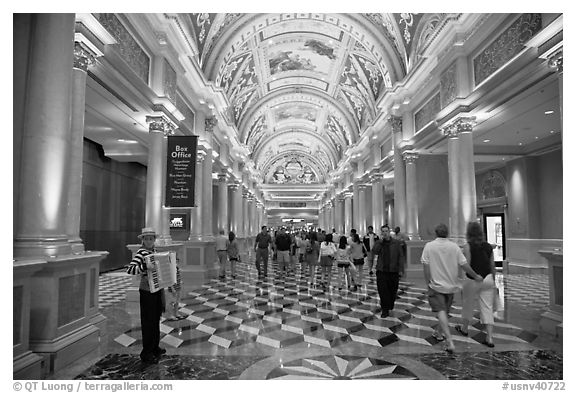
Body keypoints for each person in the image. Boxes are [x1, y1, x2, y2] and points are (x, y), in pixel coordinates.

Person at [421, 223, 483, 354]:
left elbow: (426, 266)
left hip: (436, 285)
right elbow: (464, 265)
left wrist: (428, 283)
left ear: (436, 233)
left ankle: (449, 340)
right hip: (451, 285)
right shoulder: (454, 247)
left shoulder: (429, 246)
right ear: (447, 233)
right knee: (444, 311)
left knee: (441, 311)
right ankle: (438, 332)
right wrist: (475, 275)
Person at [126, 227, 166, 364]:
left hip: (156, 290)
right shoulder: (141, 253)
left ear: (154, 240)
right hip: (146, 291)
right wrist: (144, 268)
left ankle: (155, 347)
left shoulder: (154, 252)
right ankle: (146, 352)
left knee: (155, 319)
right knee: (148, 321)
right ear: (143, 240)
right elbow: (130, 269)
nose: (149, 241)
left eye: (151, 238)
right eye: (146, 239)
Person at [456, 222, 497, 348]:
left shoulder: (468, 247)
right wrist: (493, 281)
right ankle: (489, 337)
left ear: (468, 233)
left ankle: (464, 328)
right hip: (488, 279)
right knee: (487, 307)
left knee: (468, 304)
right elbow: (492, 266)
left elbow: (466, 265)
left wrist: (474, 276)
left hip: (474, 279)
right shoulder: (489, 247)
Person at [372, 225, 404, 319]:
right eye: (383, 231)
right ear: (381, 233)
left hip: (393, 271)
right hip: (382, 271)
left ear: (389, 232)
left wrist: (401, 270)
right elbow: (375, 251)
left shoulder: (396, 243)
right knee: (382, 291)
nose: (385, 233)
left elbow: (400, 256)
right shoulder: (379, 242)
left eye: (386, 231)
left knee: (393, 290)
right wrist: (381, 242)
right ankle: (384, 309)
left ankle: (390, 304)